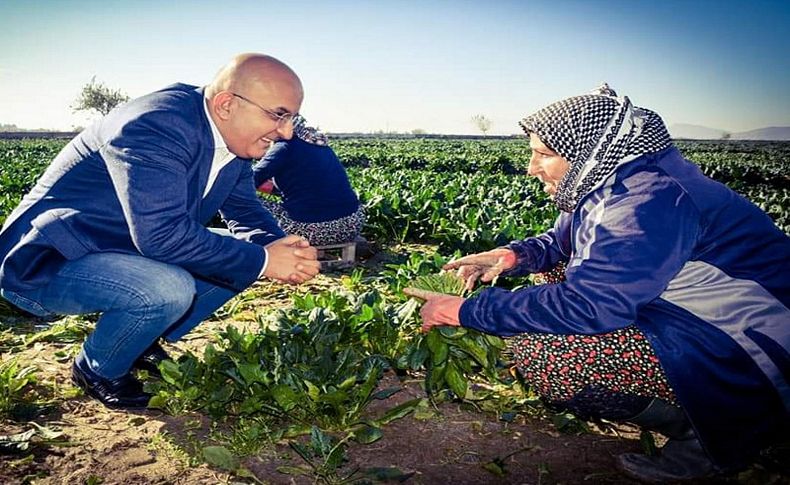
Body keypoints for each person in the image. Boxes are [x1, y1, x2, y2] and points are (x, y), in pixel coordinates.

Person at [405, 85, 790, 482]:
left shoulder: (647, 200)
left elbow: (590, 306)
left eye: (544, 154)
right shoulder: (614, 178)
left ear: (589, 151)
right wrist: (512, 256)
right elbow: (564, 242)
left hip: (753, 341)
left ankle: (713, 435)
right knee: (552, 278)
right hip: (697, 313)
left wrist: (463, 309)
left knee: (549, 354)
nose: (531, 167)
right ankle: (697, 405)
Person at [0, 53, 321, 409]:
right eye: (278, 115)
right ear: (227, 104)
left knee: (240, 254)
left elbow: (244, 208)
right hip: (50, 258)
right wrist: (265, 260)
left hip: (117, 247)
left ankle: (139, 338)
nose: (287, 132)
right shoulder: (155, 125)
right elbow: (161, 235)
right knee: (173, 288)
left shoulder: (231, 142)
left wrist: (277, 245)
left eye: (292, 118)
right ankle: (97, 369)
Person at [251, 116, 365, 247]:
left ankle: (254, 250)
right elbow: (302, 187)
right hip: (351, 224)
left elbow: (249, 180)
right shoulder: (319, 144)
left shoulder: (283, 147)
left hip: (313, 230)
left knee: (240, 199)